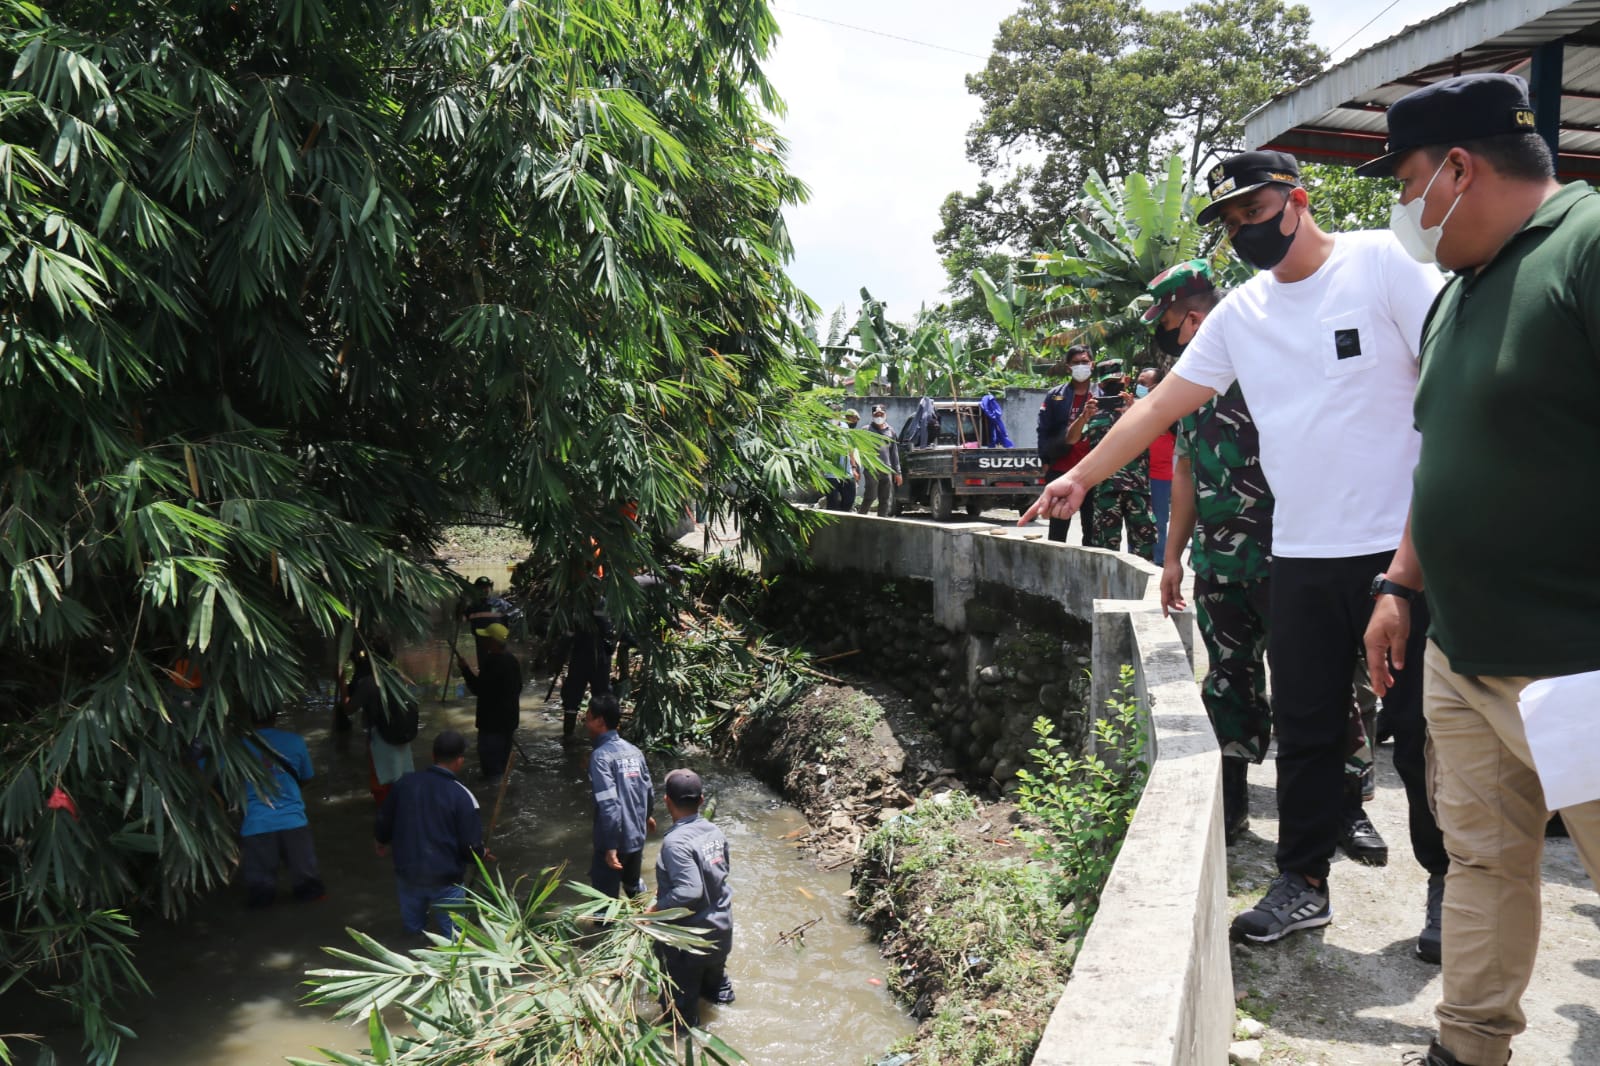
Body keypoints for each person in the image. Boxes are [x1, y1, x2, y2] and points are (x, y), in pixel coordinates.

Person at [1024, 149, 1448, 956]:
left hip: (1409, 549)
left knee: (1425, 731)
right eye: (1230, 220)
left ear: (1299, 198)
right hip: (1301, 554)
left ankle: (1446, 885)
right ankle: (1302, 882)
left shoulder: (1384, 265)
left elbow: (1449, 388)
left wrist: (1409, 562)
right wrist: (1078, 477)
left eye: (1255, 211)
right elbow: (1157, 410)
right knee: (1307, 723)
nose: (1244, 230)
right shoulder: (1240, 315)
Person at [1355, 73, 1600, 1066]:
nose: (1401, 212)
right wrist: (1400, 579)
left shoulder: (1583, 249)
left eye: (1406, 182)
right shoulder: (1458, 290)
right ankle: (1465, 1049)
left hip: (1578, 660)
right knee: (1481, 864)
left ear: (1459, 168)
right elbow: (1441, 451)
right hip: (1460, 649)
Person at [1150, 261, 1387, 863]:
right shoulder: (1190, 385)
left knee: (1323, 686)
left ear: (1197, 317)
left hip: (1296, 559)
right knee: (1228, 681)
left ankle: (1347, 810)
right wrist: (1172, 557)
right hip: (1221, 566)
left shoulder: (1276, 364)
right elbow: (1183, 472)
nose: (1167, 334)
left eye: (1170, 322)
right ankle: (1229, 804)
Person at [375, 730, 485, 938]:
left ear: (433, 756)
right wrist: (481, 853)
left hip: (408, 873)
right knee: (453, 940)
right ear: (459, 761)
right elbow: (470, 846)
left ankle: (411, 961)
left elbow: (384, 819)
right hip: (446, 879)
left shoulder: (404, 784)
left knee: (412, 931)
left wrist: (381, 840)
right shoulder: (462, 796)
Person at [649, 768, 734, 1030]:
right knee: (717, 992)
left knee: (680, 1020)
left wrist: (655, 909)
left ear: (666, 801)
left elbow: (689, 891)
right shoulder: (714, 831)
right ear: (701, 800)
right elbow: (719, 874)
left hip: (689, 943)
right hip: (721, 932)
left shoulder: (675, 843)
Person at [239, 708, 324, 907]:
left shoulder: (238, 747)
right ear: (275, 714)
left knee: (260, 896)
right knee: (311, 892)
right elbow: (307, 777)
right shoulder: (295, 741)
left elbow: (207, 773)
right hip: (293, 821)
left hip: (256, 823)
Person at [1080, 358, 1156, 562]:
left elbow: (1161, 434)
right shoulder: (1093, 412)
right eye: (1108, 384)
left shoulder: (1142, 408)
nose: (1114, 388)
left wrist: (1136, 412)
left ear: (1126, 380)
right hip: (1105, 489)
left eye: (1118, 383)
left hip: (1137, 487)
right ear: (1101, 385)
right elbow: (1073, 441)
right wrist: (1084, 418)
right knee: (1106, 550)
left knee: (1144, 547)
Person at [585, 693, 655, 897]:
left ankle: (604, 929)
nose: (586, 722)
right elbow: (648, 789)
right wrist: (647, 816)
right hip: (636, 836)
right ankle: (646, 923)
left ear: (599, 721)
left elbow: (609, 805)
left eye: (588, 717)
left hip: (615, 840)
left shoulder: (600, 757)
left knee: (603, 905)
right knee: (633, 888)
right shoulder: (634, 751)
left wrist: (610, 847)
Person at [1034, 345, 1100, 543]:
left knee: (1092, 528)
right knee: (1058, 526)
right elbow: (1043, 429)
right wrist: (1045, 460)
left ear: (1092, 364)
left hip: (1093, 471)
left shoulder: (1102, 394)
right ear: (1068, 367)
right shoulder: (1056, 395)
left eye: (1084, 362)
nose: (1081, 366)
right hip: (1061, 468)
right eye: (1076, 363)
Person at [343, 641, 415, 806]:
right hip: (401, 732)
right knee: (400, 774)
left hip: (381, 735)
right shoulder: (398, 676)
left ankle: (385, 813)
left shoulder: (370, 683)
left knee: (381, 779)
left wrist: (341, 682)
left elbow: (348, 709)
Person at [454, 622, 523, 782]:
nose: (482, 641)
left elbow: (479, 689)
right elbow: (518, 688)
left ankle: (493, 799)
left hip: (492, 725)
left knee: (492, 769)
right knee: (503, 767)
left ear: (492, 642)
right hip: (509, 722)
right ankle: (503, 797)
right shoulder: (512, 660)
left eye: (485, 638)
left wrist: (465, 670)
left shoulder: (492, 662)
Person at [1137, 366, 1176, 563]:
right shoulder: (1132, 407)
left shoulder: (1169, 409)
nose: (1140, 387)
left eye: (1144, 384)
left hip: (1160, 476)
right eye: (1138, 383)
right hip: (1137, 475)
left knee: (1159, 521)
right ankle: (1137, 559)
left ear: (1158, 386)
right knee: (1137, 520)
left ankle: (1159, 562)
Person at [857, 404, 902, 517]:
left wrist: (898, 472)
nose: (879, 417)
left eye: (881, 414)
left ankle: (882, 521)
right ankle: (860, 518)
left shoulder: (891, 431)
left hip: (886, 470)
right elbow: (859, 450)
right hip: (872, 470)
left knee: (885, 499)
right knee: (870, 496)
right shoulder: (866, 430)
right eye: (876, 415)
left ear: (885, 415)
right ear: (872, 416)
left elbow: (894, 453)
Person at [461, 576, 515, 658]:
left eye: (486, 587)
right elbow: (461, 620)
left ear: (491, 589)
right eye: (480, 588)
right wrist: (461, 605)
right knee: (484, 668)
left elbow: (516, 616)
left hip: (498, 643)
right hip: (481, 643)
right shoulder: (472, 607)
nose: (483, 590)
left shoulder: (500, 604)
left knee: (501, 666)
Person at [824, 409, 861, 512]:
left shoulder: (845, 427)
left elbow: (850, 449)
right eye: (831, 415)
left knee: (849, 500)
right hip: (830, 473)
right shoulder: (824, 428)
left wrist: (854, 468)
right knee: (832, 503)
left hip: (846, 472)